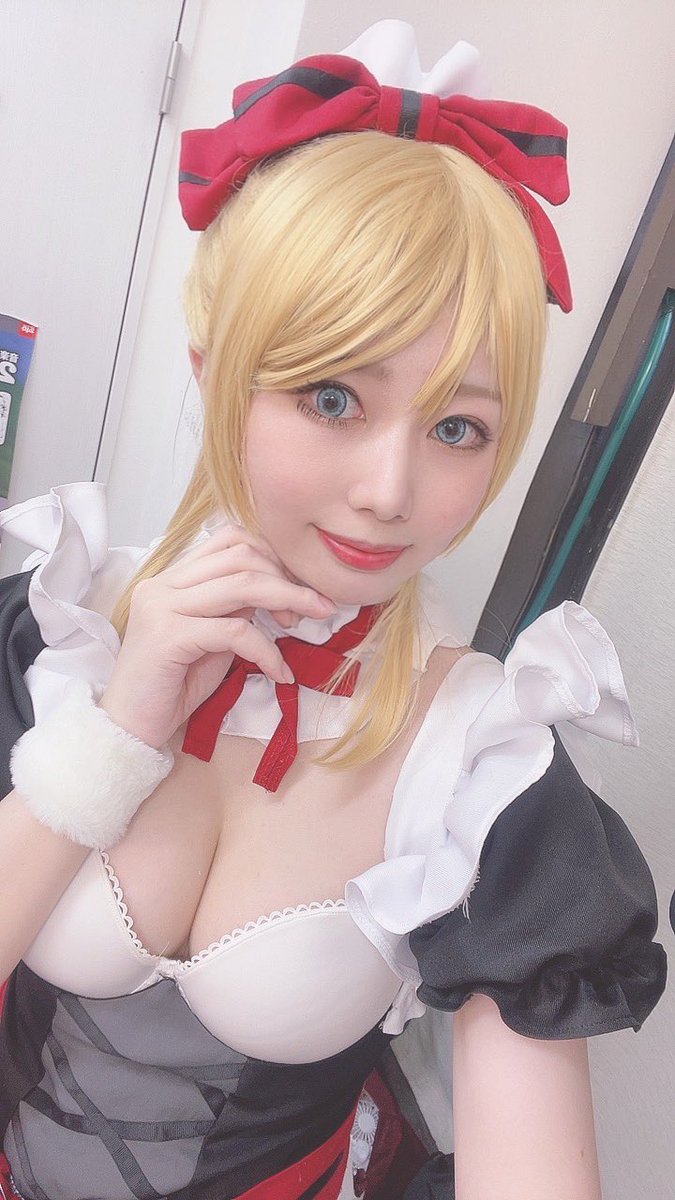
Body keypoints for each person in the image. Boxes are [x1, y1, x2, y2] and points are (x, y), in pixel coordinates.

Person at [0, 21, 667, 1200]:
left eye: (458, 426)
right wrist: (114, 731)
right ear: (216, 374)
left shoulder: (483, 762)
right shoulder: (62, 625)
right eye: (332, 397)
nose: (392, 492)